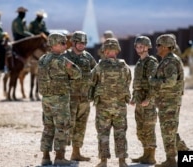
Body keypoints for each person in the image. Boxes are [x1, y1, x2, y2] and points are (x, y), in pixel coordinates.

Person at [38, 32, 82, 166]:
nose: (65, 46)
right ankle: (60, 157)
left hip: (46, 99)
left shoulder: (43, 59)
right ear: (55, 44)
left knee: (48, 127)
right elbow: (77, 73)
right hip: (60, 100)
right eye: (63, 43)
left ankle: (45, 157)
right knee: (62, 127)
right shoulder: (63, 60)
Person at [149, 34, 189, 167]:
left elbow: (170, 82)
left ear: (165, 47)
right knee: (170, 130)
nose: (156, 48)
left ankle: (171, 160)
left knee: (168, 131)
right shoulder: (167, 60)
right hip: (166, 101)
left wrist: (153, 81)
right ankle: (187, 154)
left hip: (169, 102)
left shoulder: (171, 61)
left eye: (158, 45)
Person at [91, 38, 131, 167]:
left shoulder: (100, 66)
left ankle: (103, 161)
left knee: (103, 133)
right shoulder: (124, 65)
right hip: (120, 106)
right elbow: (128, 80)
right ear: (117, 51)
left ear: (105, 51)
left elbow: (91, 81)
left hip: (103, 106)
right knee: (120, 133)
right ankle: (122, 161)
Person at [63, 30, 97, 161]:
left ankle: (76, 153)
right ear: (73, 43)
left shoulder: (88, 57)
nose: (82, 45)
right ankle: (62, 155)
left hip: (85, 98)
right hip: (69, 99)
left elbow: (96, 72)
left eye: (84, 43)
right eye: (79, 43)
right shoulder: (65, 56)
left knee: (80, 126)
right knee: (67, 125)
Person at [130, 36, 158, 164]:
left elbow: (154, 84)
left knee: (148, 128)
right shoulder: (139, 62)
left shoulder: (151, 62)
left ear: (147, 47)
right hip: (140, 102)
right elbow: (137, 84)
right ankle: (145, 154)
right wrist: (134, 98)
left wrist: (149, 98)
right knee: (141, 129)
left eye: (141, 46)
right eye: (137, 46)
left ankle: (151, 156)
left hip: (148, 102)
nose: (138, 48)